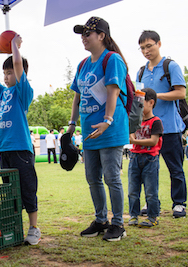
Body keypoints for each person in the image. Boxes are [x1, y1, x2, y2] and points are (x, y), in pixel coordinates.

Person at [69, 17, 129, 241]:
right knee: (92, 177)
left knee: (111, 177)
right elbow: (77, 97)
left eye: (88, 33)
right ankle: (101, 220)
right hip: (89, 131)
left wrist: (108, 120)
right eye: (82, 34)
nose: (83, 38)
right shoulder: (83, 64)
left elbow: (113, 92)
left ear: (101, 36)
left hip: (110, 129)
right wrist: (72, 124)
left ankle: (118, 224)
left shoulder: (112, 59)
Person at [0, 33, 40, 245]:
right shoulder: (2, 93)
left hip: (21, 150)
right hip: (5, 150)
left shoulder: (23, 92)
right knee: (9, 193)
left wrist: (15, 46)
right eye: (5, 73)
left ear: (20, 74)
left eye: (9, 73)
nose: (6, 77)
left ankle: (34, 227)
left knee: (27, 190)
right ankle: (14, 228)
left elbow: (18, 63)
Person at [137, 30, 187, 218]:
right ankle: (150, 202)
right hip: (146, 128)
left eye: (149, 46)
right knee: (147, 168)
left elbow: (181, 93)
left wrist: (155, 96)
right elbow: (140, 100)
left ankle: (179, 203)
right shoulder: (141, 71)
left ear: (159, 44)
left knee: (175, 168)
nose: (146, 51)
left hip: (169, 127)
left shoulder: (170, 66)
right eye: (142, 48)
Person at [128, 88, 163, 228]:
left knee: (151, 191)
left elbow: (153, 141)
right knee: (132, 190)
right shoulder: (135, 121)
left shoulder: (156, 122)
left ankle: (152, 216)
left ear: (151, 103)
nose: (137, 107)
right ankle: (133, 215)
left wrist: (134, 141)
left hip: (150, 159)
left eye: (141, 103)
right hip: (134, 158)